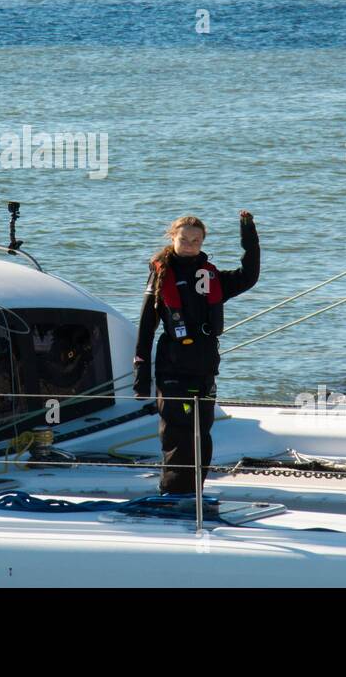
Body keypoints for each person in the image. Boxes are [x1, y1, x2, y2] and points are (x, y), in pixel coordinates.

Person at [134, 211, 259, 496]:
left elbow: (249, 275)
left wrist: (248, 232)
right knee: (178, 437)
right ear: (173, 238)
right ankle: (172, 496)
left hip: (204, 369)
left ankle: (195, 496)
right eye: (184, 239)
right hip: (173, 369)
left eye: (196, 240)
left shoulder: (212, 276)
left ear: (203, 241)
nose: (190, 244)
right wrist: (141, 373)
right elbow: (145, 327)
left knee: (201, 437)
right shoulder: (161, 273)